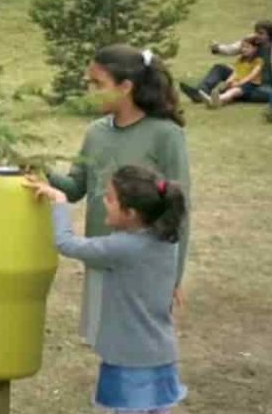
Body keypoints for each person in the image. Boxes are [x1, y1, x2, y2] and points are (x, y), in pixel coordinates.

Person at [46, 45, 191, 347]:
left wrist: (173, 277)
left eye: (98, 84)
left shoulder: (166, 135)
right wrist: (41, 170)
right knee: (106, 342)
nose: (90, 91)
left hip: (144, 266)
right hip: (104, 256)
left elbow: (179, 208)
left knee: (138, 344)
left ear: (126, 87)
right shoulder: (96, 132)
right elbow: (75, 188)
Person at [26, 165, 187, 414]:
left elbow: (66, 244)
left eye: (110, 199)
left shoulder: (123, 248)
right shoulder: (166, 240)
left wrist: (60, 202)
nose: (104, 202)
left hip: (128, 356)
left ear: (132, 213)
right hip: (161, 352)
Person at [180, 20, 272, 104]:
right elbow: (233, 49)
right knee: (220, 68)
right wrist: (217, 48)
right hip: (244, 75)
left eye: (261, 33)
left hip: (263, 85)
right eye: (256, 32)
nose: (257, 35)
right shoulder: (253, 41)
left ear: (270, 35)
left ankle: (223, 95)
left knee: (260, 93)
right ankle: (201, 92)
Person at [205, 36, 264, 109]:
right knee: (227, 90)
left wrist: (239, 83)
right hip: (238, 81)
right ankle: (217, 102)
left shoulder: (258, 61)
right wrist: (229, 81)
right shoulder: (240, 59)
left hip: (250, 84)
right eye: (242, 47)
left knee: (233, 92)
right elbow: (236, 72)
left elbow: (251, 76)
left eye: (247, 47)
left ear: (255, 48)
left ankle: (215, 99)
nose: (244, 49)